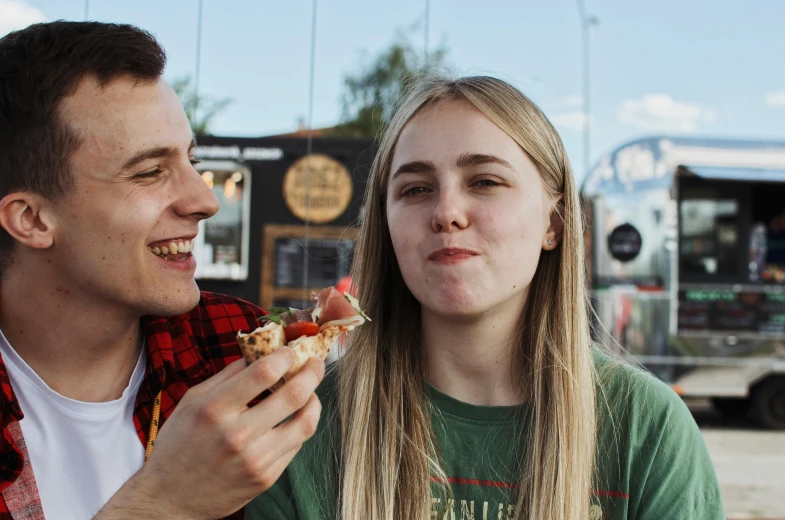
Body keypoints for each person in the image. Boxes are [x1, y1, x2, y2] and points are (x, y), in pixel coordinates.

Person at [246, 76, 724, 519]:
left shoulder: (648, 430)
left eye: (485, 182)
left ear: (553, 224)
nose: (447, 212)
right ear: (386, 226)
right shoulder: (304, 425)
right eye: (415, 189)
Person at [0, 21, 324, 519]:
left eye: (191, 161)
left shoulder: (239, 349)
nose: (205, 200)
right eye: (150, 171)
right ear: (32, 219)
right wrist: (162, 504)